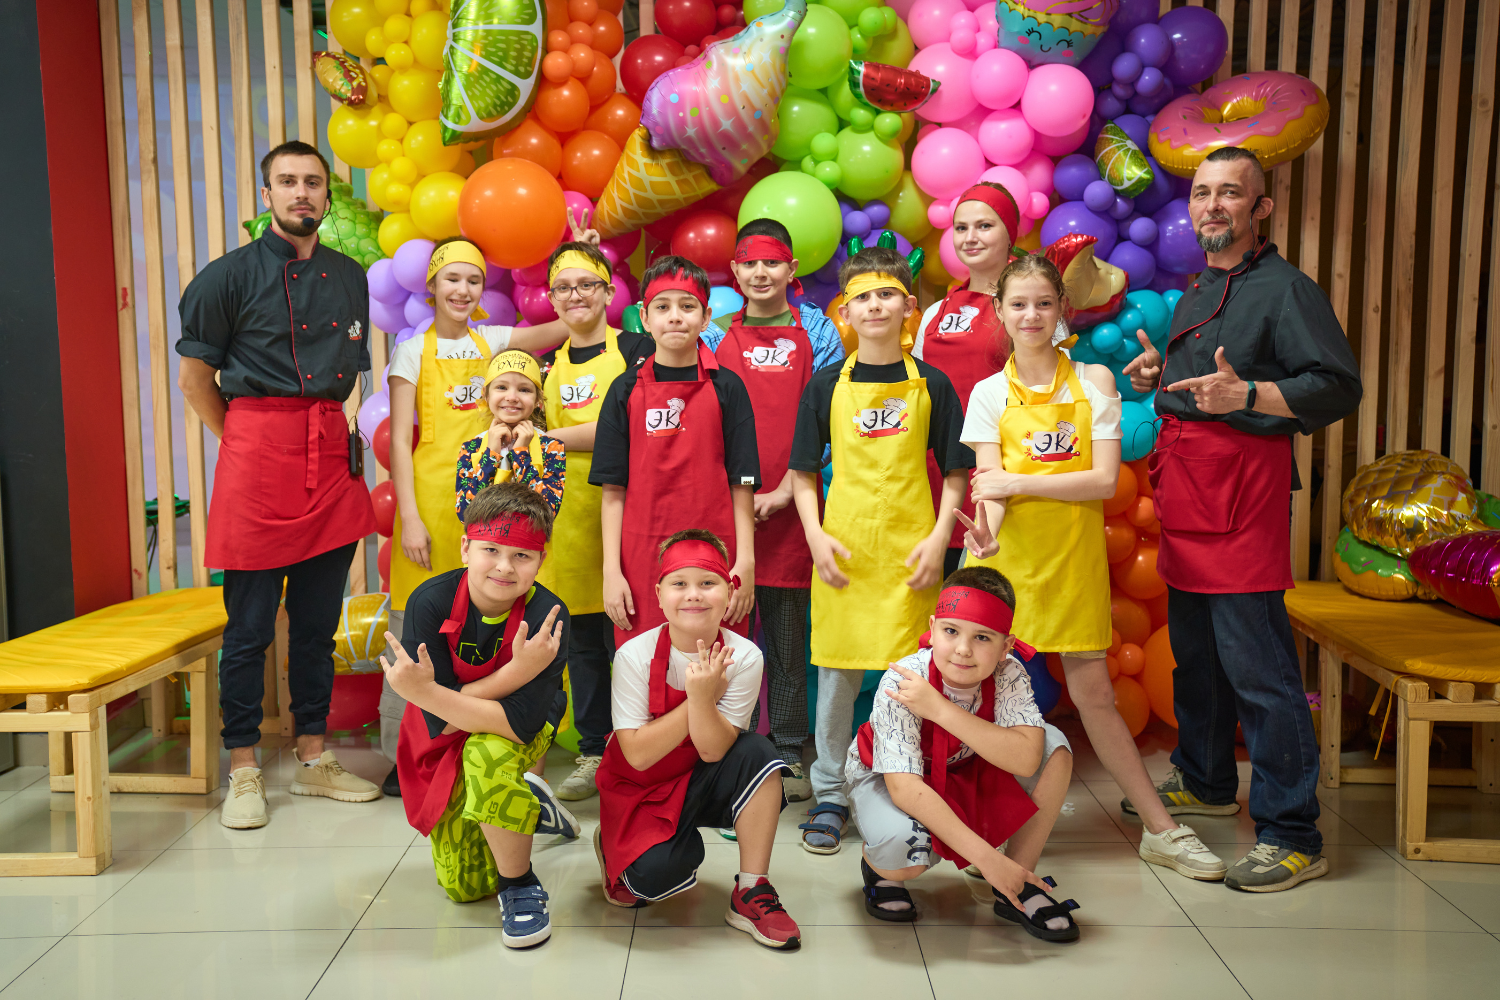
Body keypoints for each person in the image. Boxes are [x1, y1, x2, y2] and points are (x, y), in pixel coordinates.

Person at [1122, 146, 1361, 892]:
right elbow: (1208, 382)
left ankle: (1293, 834)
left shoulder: (1288, 289)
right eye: (1202, 193)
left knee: (1260, 669)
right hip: (1188, 488)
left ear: (1261, 209)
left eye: (1230, 193)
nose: (1212, 205)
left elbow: (1336, 385)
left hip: (1243, 495)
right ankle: (1206, 779)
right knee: (1197, 654)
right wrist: (1162, 377)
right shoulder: (1197, 288)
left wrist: (1251, 397)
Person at [959, 253, 1227, 881]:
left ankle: (1161, 831)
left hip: (1072, 564)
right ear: (999, 311)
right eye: (1018, 304)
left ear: (1062, 309)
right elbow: (989, 488)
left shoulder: (1095, 381)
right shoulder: (988, 393)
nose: (1031, 315)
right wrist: (987, 536)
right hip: (1004, 566)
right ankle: (984, 834)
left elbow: (1103, 481)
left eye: (1043, 303)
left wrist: (1016, 482)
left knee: (1095, 697)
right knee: (981, 703)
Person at [177, 140, 381, 829]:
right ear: (266, 196)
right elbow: (195, 381)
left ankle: (314, 757)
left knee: (318, 625)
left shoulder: (350, 275)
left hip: (329, 455)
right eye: (287, 181)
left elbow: (349, 372)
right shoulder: (225, 277)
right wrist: (245, 440)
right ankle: (243, 768)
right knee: (249, 629)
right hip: (257, 453)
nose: (301, 193)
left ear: (326, 196)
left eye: (313, 182)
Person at [379, 234, 581, 797]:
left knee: (491, 616)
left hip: (492, 501)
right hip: (430, 501)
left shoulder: (492, 340)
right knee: (414, 625)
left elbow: (563, 327)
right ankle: (404, 753)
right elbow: (400, 442)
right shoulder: (410, 351)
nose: (463, 290)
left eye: (473, 280)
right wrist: (410, 517)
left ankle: (490, 738)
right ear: (432, 285)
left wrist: (576, 269)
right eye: (452, 278)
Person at [788, 246, 974, 854]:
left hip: (911, 553)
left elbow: (956, 470)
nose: (875, 305)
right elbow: (801, 472)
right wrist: (815, 537)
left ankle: (907, 782)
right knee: (837, 676)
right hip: (843, 552)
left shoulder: (933, 384)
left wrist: (940, 538)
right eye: (862, 296)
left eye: (886, 294)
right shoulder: (825, 385)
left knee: (913, 677)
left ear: (908, 306)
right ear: (844, 311)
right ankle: (829, 793)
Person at [383, 482, 579, 949]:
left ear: (540, 560)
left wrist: (430, 693)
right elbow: (441, 722)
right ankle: (532, 803)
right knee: (465, 888)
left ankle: (520, 885)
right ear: (465, 548)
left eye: (522, 555)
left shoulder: (549, 614)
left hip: (519, 726)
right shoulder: (429, 601)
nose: (505, 567)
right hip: (438, 734)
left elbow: (517, 724)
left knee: (485, 755)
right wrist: (517, 672)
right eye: (491, 550)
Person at [847, 567, 1080, 941]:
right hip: (890, 776)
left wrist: (939, 709)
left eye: (982, 637)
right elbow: (906, 789)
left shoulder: (1009, 672)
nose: (963, 649)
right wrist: (989, 861)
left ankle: (1017, 883)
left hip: (964, 767)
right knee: (905, 857)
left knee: (1054, 748)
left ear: (1005, 646)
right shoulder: (904, 679)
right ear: (932, 628)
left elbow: (1026, 760)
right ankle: (879, 869)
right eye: (951, 631)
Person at [593, 530, 801, 950]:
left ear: (730, 592)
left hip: (701, 775)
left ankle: (751, 890)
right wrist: (698, 698)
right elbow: (637, 754)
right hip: (641, 788)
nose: (693, 595)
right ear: (659, 595)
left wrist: (703, 699)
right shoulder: (634, 655)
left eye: (708, 582)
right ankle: (614, 842)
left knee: (759, 753)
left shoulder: (744, 656)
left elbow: (713, 749)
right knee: (654, 878)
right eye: (679, 583)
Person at [701, 218, 845, 801]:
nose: (761, 273)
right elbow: (705, 418)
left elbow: (831, 417)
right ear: (735, 271)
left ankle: (786, 751)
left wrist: (786, 489)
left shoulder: (819, 331)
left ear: (791, 269)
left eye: (772, 262)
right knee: (721, 638)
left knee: (787, 642)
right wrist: (733, 495)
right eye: (749, 263)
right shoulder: (713, 334)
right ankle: (722, 748)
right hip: (725, 508)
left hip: (793, 509)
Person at [532, 239, 656, 802]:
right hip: (567, 524)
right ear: (551, 298)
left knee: (634, 643)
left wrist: (549, 437)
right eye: (563, 287)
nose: (575, 295)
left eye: (587, 284)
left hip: (631, 514)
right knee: (582, 647)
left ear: (609, 292)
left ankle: (646, 751)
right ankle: (593, 751)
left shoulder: (637, 348)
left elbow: (627, 425)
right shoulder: (544, 365)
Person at [591, 256, 760, 647]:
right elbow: (613, 489)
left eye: (687, 306)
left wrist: (746, 562)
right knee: (643, 663)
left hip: (716, 553)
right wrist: (612, 571)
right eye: (662, 307)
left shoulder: (728, 388)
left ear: (706, 317)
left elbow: (742, 483)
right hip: (641, 556)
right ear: (644, 317)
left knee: (717, 663)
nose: (675, 317)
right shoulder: (623, 390)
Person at [914, 183, 1020, 576]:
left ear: (1010, 234)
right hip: (936, 477)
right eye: (961, 228)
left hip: (1001, 478)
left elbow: (1055, 391)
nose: (970, 237)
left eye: (984, 226)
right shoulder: (934, 313)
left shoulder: (1032, 311)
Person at [454, 349, 566, 519]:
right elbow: (465, 513)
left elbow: (547, 512)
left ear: (538, 399)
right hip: (484, 537)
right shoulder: (470, 448)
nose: (512, 397)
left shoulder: (552, 447)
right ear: (485, 394)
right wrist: (491, 454)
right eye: (501, 387)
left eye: (524, 390)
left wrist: (521, 453)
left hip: (530, 537)